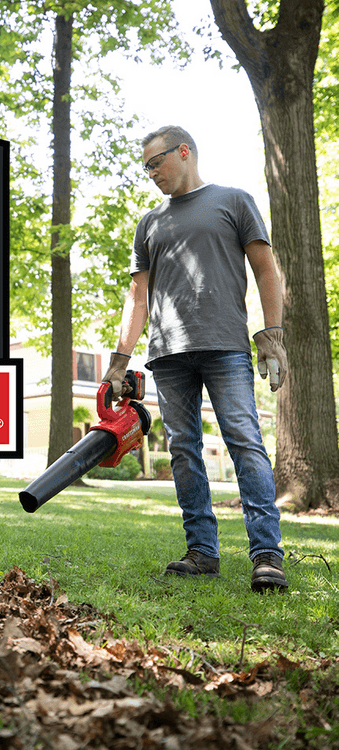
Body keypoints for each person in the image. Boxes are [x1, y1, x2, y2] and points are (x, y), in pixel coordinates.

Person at [103, 125, 289, 593]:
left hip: (225, 345)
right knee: (184, 451)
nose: (150, 173)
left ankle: (267, 555)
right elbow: (137, 296)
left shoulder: (233, 201)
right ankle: (202, 551)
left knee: (245, 442)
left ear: (183, 152)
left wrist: (272, 333)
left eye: (156, 162)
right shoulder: (149, 223)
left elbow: (266, 269)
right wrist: (120, 361)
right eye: (145, 167)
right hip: (168, 355)